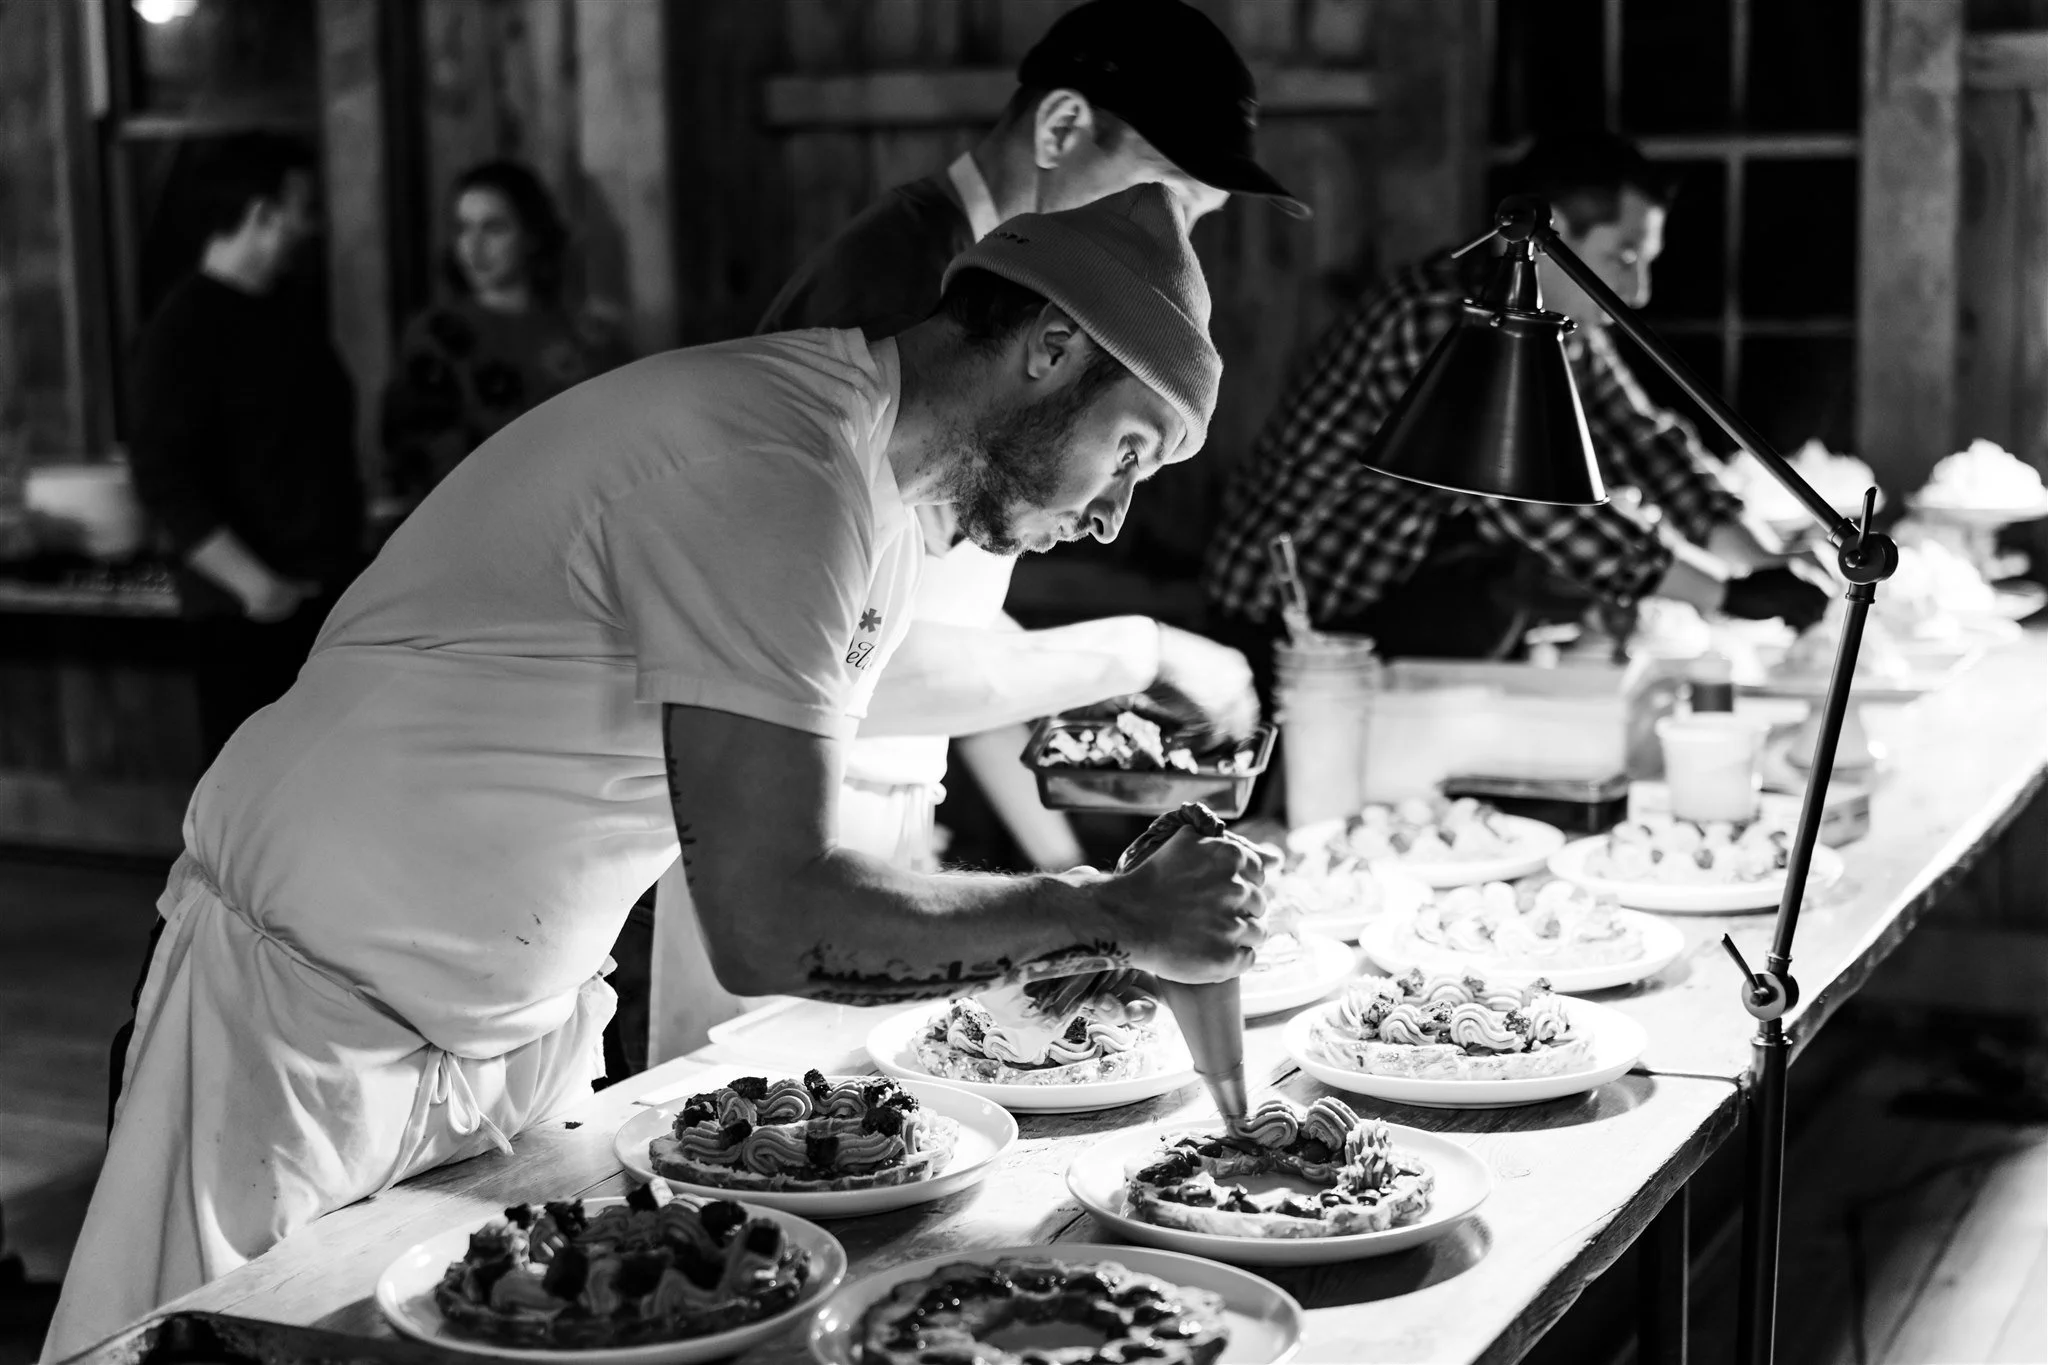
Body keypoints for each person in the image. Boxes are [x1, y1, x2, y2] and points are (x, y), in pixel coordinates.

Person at [43, 184, 1265, 1357]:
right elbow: (771, 917)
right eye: (1127, 455)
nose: (1112, 516)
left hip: (489, 1040)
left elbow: (866, 681)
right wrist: (1106, 916)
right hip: (300, 1018)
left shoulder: (867, 485)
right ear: (1050, 347)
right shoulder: (776, 465)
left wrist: (1133, 658)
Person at [760, 0, 1292, 874]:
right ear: (1062, 127)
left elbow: (935, 611)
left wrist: (1062, 860)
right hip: (788, 817)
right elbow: (853, 659)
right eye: (1162, 199)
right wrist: (1138, 652)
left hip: (883, 797)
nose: (1172, 248)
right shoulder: (908, 298)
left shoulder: (997, 291)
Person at [1202, 130, 1831, 691]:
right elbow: (1525, 499)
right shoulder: (1442, 324)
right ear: (1549, 234)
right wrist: (1721, 592)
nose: (1638, 293)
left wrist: (1757, 555)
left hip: (1379, 590)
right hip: (1281, 611)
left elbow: (1643, 444)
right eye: (1624, 258)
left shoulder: (1565, 321)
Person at [126, 133, 365, 760]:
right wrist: (256, 586)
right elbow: (162, 474)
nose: (310, 226)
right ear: (262, 214)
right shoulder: (183, 328)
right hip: (249, 618)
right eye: (302, 208)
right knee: (251, 814)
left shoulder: (287, 313)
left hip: (324, 604)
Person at [379, 161, 630, 528]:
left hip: (583, 524)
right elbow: (422, 457)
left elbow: (621, 442)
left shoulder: (582, 332)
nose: (474, 246)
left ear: (530, 235)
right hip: (478, 530)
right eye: (463, 229)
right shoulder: (437, 335)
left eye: (493, 228)